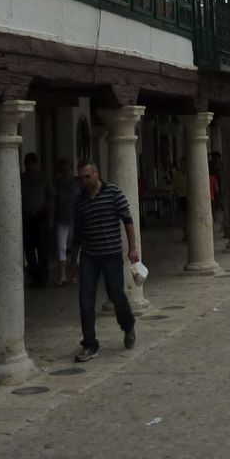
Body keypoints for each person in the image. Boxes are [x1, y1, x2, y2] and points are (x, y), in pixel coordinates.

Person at [70, 160, 138, 362]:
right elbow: (78, 234)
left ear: (96, 174)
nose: (84, 181)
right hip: (89, 256)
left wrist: (132, 248)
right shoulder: (80, 202)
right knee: (85, 300)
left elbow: (127, 220)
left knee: (116, 294)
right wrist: (73, 260)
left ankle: (128, 325)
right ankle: (89, 343)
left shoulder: (113, 193)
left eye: (87, 177)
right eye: (81, 178)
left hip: (111, 254)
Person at [21, 151, 51, 286]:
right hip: (26, 217)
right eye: (27, 166)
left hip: (40, 216)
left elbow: (50, 199)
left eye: (32, 165)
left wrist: (50, 217)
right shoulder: (21, 178)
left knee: (42, 248)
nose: (30, 168)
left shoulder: (43, 178)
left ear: (36, 165)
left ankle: (43, 277)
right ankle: (34, 276)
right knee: (28, 249)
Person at [51, 157, 81, 285]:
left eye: (69, 169)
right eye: (63, 169)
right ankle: (62, 274)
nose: (66, 172)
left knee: (74, 247)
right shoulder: (57, 185)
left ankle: (73, 271)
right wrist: (51, 219)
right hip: (61, 220)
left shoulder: (78, 182)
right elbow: (53, 202)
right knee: (61, 247)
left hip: (76, 219)